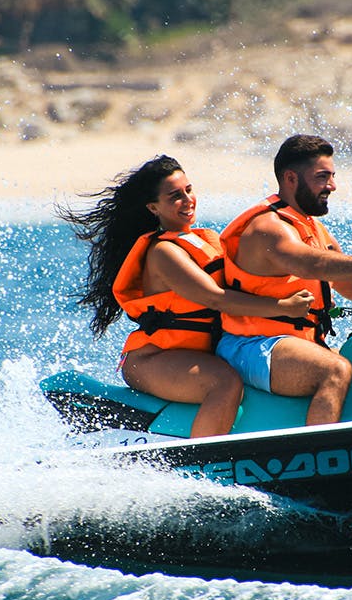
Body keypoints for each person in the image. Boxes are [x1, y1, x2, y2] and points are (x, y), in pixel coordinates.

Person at [58, 155, 314, 438]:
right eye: (175, 196)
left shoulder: (204, 240)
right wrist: (284, 307)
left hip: (200, 353)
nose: (187, 200)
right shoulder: (165, 253)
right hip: (153, 359)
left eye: (188, 190)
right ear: (153, 207)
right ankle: (204, 463)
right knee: (225, 383)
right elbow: (215, 298)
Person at [216, 134, 352, 426]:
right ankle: (323, 456)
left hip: (291, 343)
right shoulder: (268, 228)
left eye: (333, 176)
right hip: (251, 346)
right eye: (322, 177)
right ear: (291, 178)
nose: (332, 185)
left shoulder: (312, 228)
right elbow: (313, 264)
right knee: (334, 370)